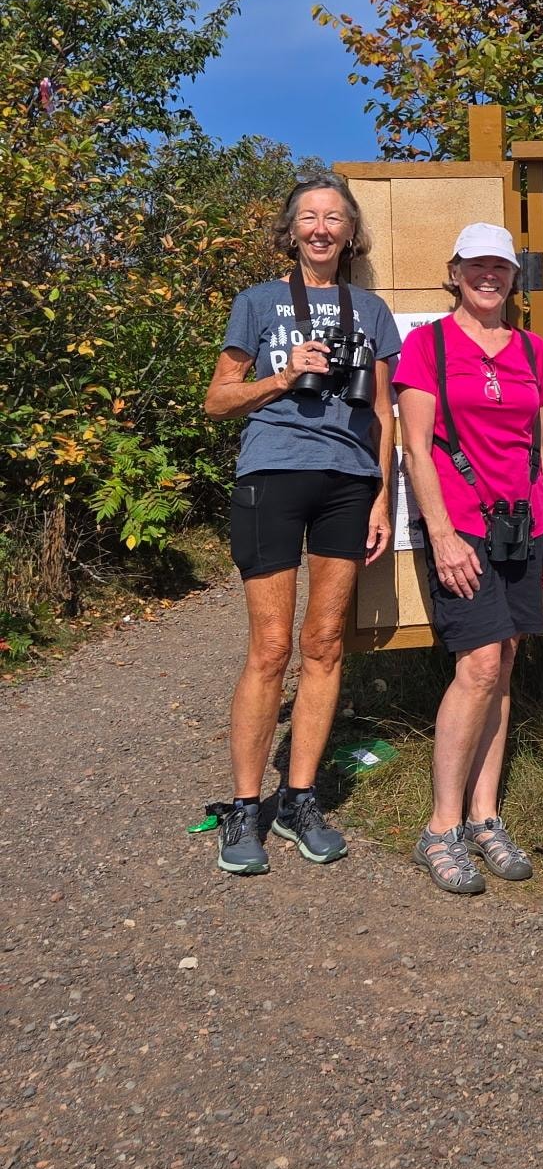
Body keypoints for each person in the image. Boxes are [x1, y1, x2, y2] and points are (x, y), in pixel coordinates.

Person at [204, 172, 401, 876]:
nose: (321, 229)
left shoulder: (370, 311)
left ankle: (299, 797)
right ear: (291, 232)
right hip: (272, 474)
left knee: (323, 645)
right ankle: (243, 806)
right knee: (269, 648)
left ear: (351, 234)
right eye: (309, 218)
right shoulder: (257, 302)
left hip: (349, 483)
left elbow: (383, 414)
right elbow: (218, 399)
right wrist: (283, 376)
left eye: (335, 218)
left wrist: (382, 496)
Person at [395, 223, 543, 895]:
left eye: (500, 267)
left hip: (523, 527)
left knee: (505, 666)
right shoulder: (428, 346)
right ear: (456, 271)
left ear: (513, 277)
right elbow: (416, 447)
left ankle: (484, 816)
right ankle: (439, 829)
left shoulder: (531, 349)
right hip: (462, 528)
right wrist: (440, 534)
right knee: (477, 665)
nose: (488, 277)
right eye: (476, 266)